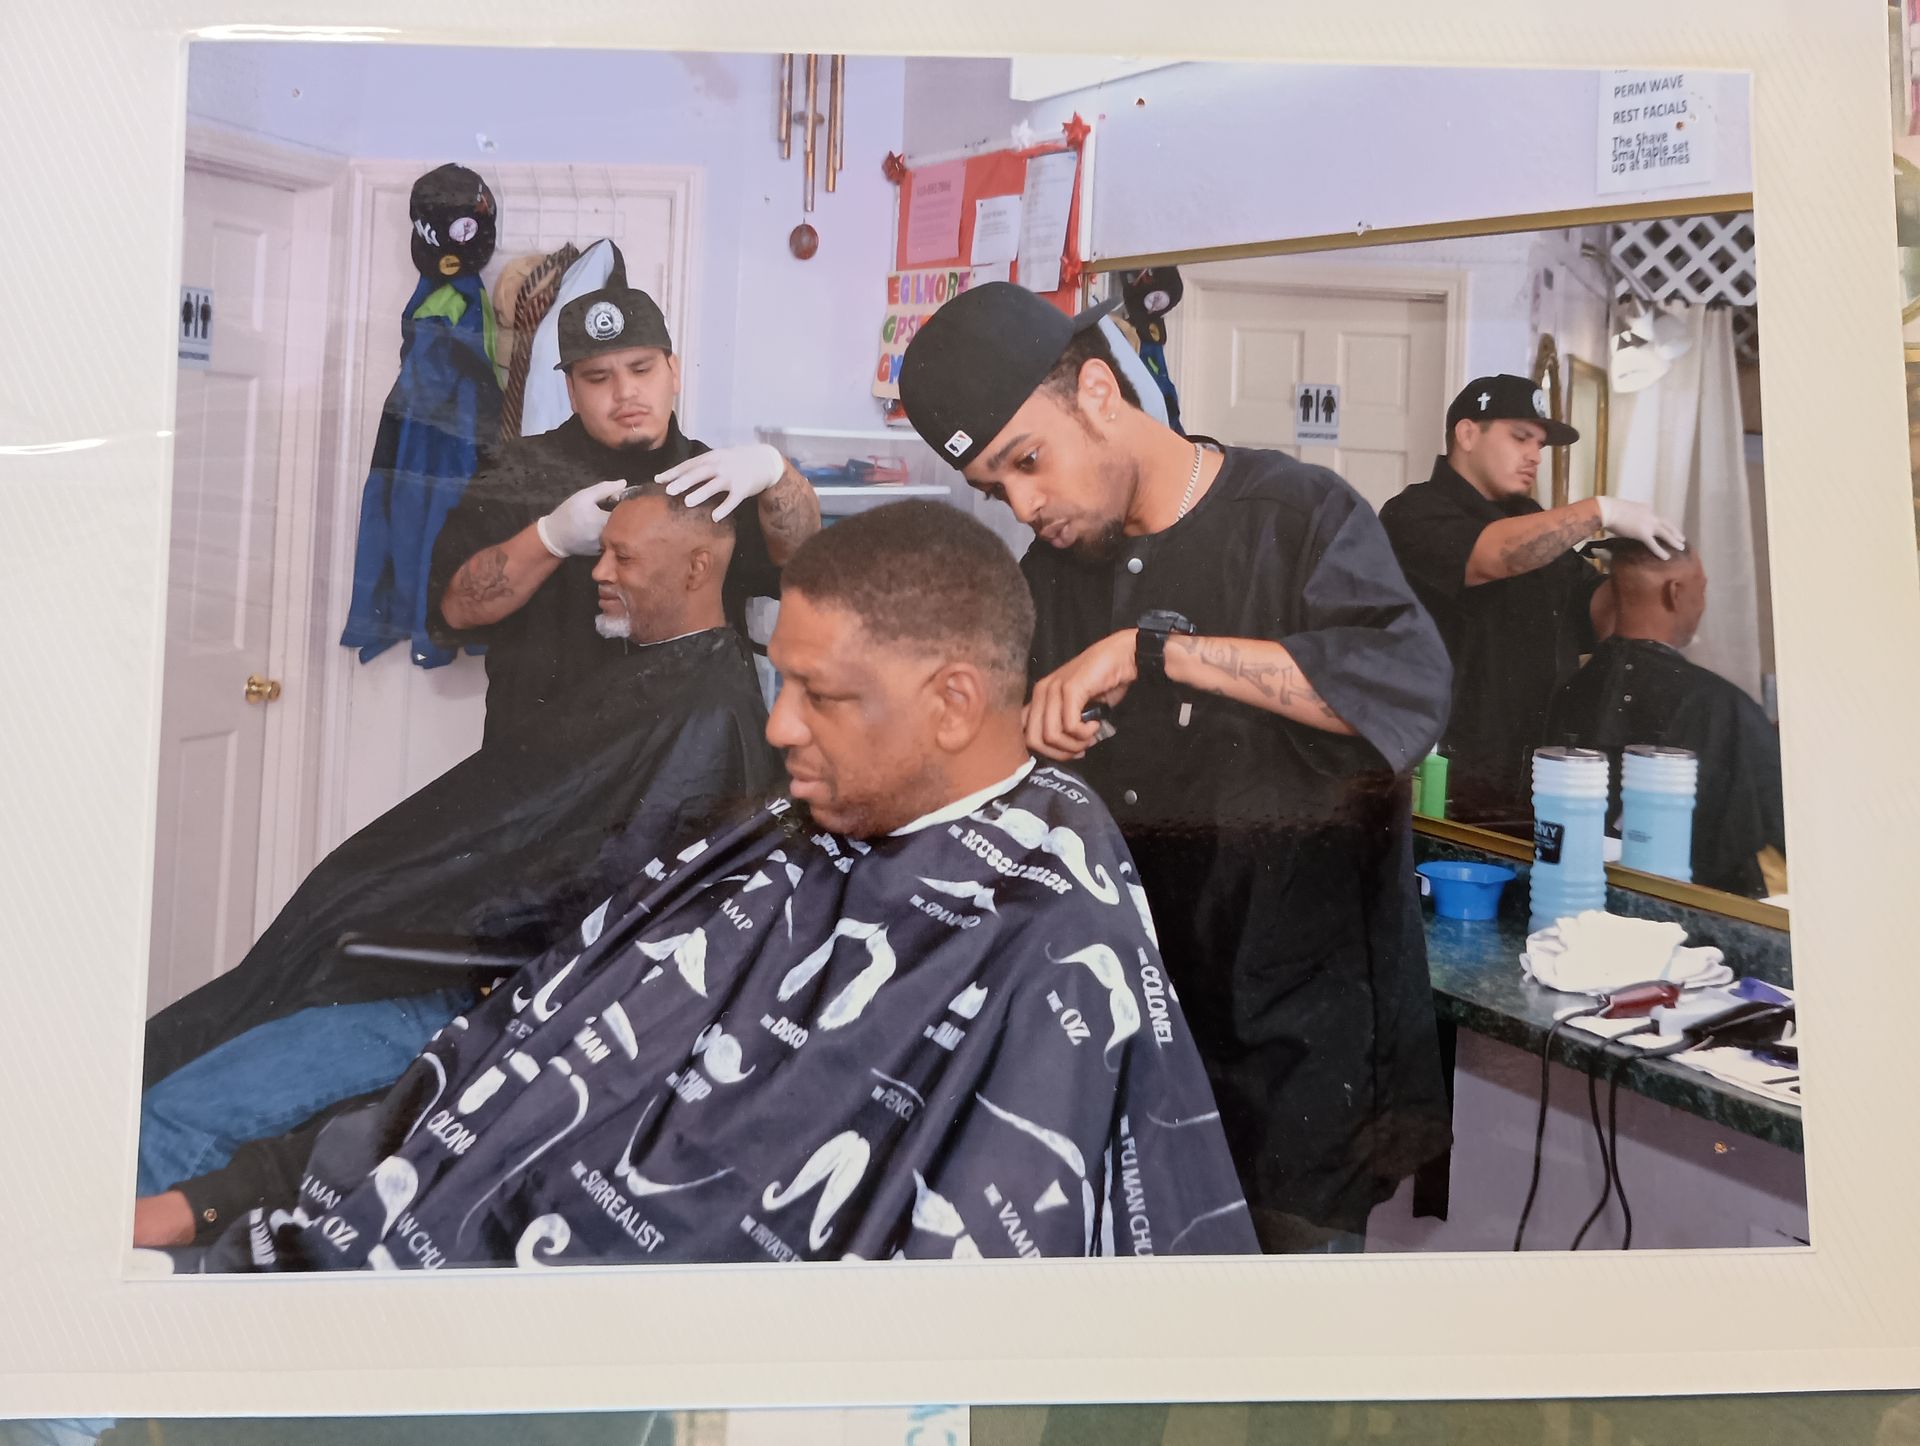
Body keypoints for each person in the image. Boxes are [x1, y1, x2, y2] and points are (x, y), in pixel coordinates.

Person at [160, 502, 1257, 1269]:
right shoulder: (793, 826)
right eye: (780, 683)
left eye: (820, 696)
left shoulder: (1051, 928)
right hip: (415, 1253)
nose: (777, 726)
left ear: (955, 703)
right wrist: (214, 1199)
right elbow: (537, 1044)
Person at [897, 281, 1455, 1254]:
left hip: (1298, 1071)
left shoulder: (1295, 515)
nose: (1027, 505)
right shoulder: (1052, 573)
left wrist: (1147, 653)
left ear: (1100, 394)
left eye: (1029, 462)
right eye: (997, 488)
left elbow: (1403, 691)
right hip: (1133, 1056)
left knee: (1280, 1380)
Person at [135, 485, 783, 1239]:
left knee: (177, 1111)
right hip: (436, 964)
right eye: (601, 549)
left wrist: (413, 913)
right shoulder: (666, 679)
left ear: (698, 568)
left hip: (467, 996)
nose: (599, 570)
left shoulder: (707, 717)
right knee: (174, 1053)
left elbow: (601, 908)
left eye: (622, 556)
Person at [427, 279, 821, 746]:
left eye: (641, 369)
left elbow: (805, 569)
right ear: (571, 391)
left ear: (674, 372)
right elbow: (456, 610)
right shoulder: (518, 475)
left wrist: (776, 473)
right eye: (598, 378)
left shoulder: (716, 479)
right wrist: (549, 538)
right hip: (547, 760)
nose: (625, 392)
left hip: (690, 758)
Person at [1378, 374, 1686, 824]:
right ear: (1467, 433)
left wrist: (1635, 575)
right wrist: (1601, 511)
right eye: (1521, 438)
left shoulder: (1534, 521)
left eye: (1540, 445)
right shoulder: (1413, 513)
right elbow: (1492, 555)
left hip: (1534, 776)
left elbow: (1592, 612)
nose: (1534, 456)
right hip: (1443, 772)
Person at [1546, 540, 1786, 897]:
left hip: (1573, 898)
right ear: (1675, 592)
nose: (1702, 604)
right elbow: (1782, 838)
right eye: (1700, 590)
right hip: (1692, 917)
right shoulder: (1722, 707)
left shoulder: (1568, 692)